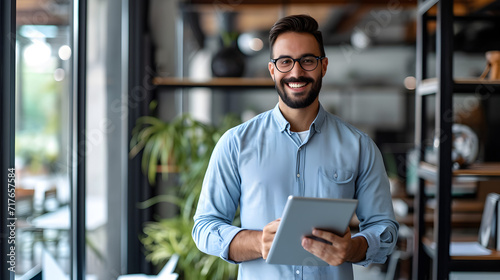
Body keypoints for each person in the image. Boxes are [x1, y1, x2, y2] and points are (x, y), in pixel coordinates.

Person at [192, 14, 399, 279]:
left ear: (323, 66)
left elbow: (385, 229)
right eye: (285, 62)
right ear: (272, 70)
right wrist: (256, 242)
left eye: (308, 61)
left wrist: (352, 248)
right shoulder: (235, 143)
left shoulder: (359, 146)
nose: (296, 72)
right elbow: (205, 228)